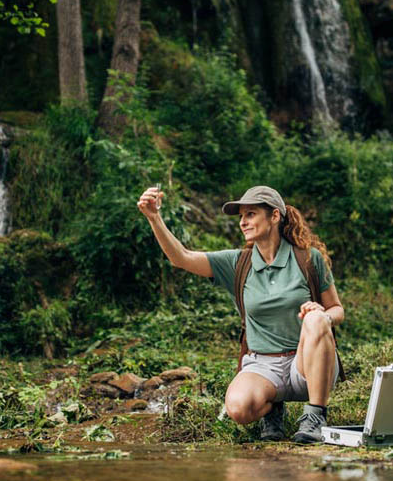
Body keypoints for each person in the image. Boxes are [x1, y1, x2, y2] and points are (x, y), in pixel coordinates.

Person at [137, 184, 343, 443]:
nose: (243, 222)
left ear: (275, 216)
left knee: (315, 318)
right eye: (241, 217)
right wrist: (154, 218)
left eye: (251, 214)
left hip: (307, 364)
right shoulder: (238, 263)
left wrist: (322, 314)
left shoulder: (308, 259)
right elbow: (182, 257)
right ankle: (273, 408)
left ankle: (315, 415)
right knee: (238, 408)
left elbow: (337, 309)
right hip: (263, 365)